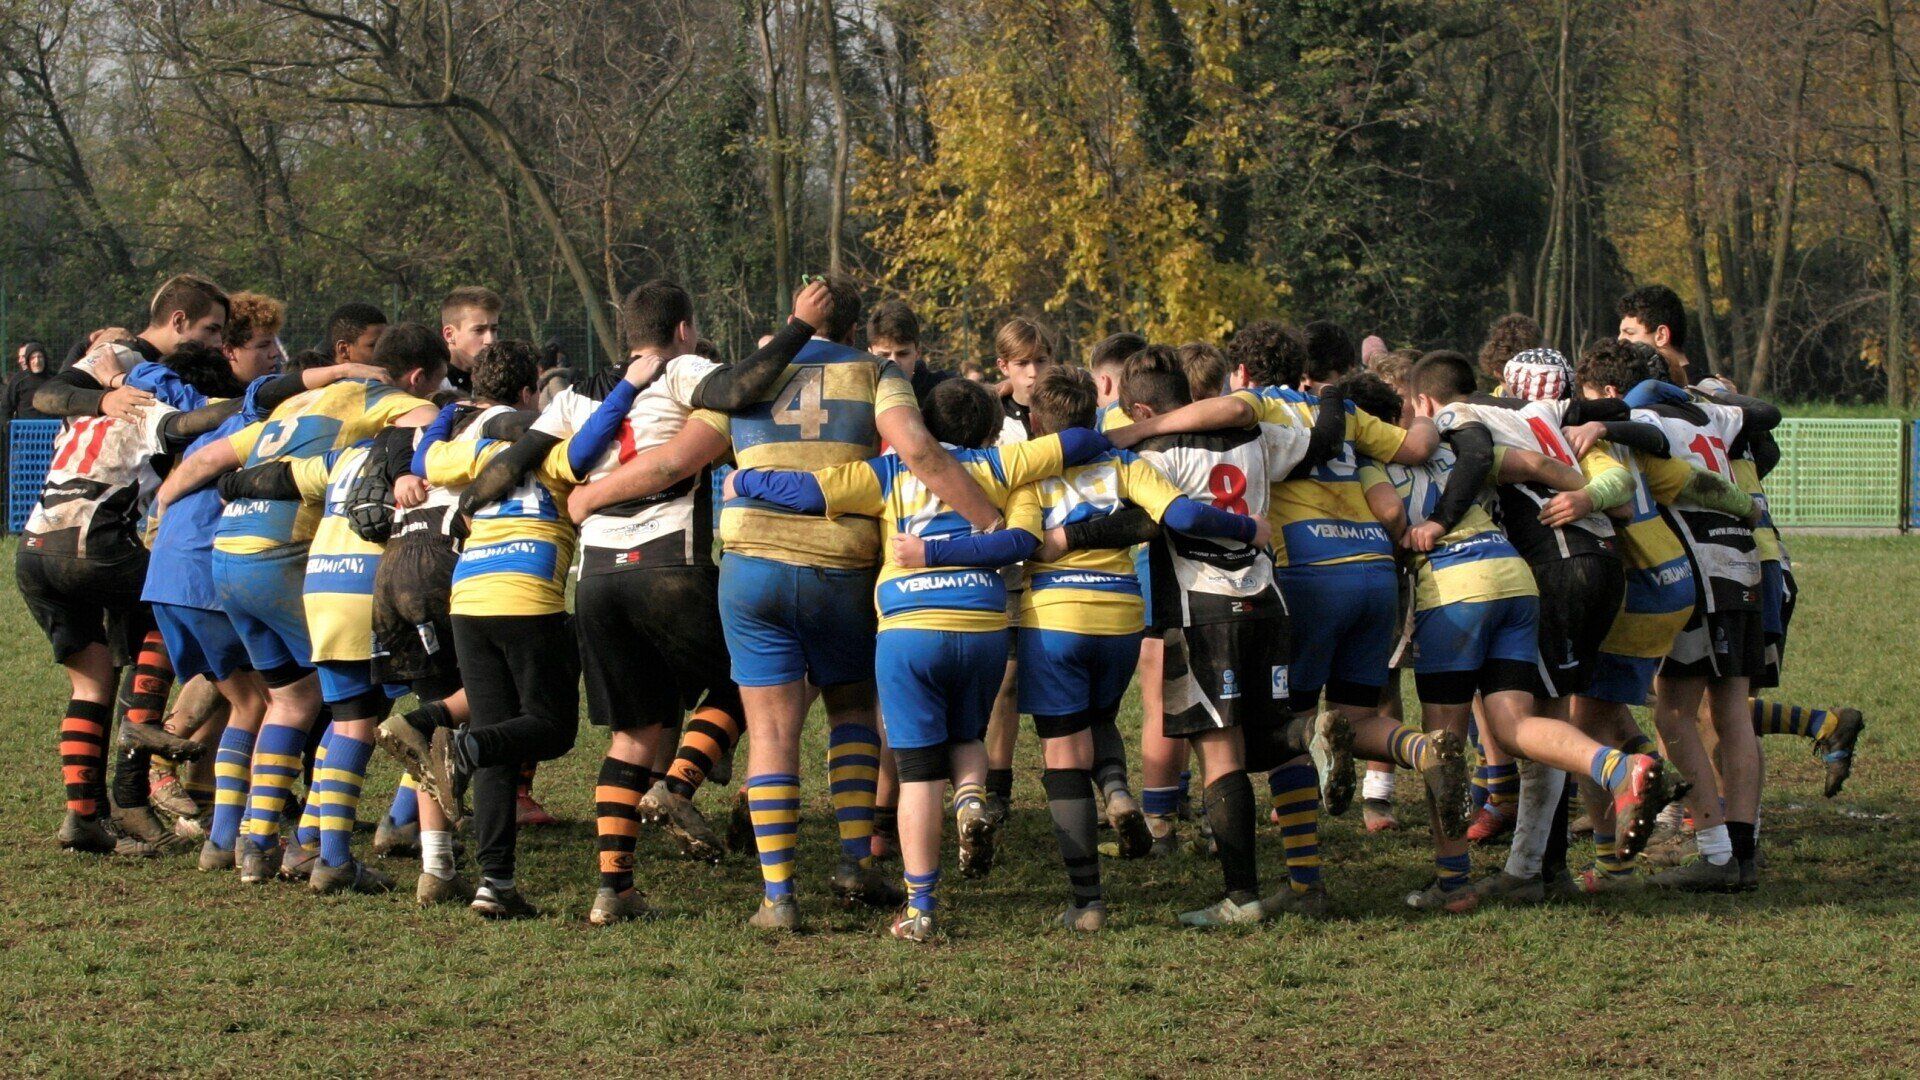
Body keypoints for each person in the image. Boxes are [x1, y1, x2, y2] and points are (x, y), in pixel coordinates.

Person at [560, 273, 1002, 932]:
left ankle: (779, 897)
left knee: (769, 732)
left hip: (754, 570)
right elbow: (916, 449)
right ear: (854, 329)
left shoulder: (748, 376)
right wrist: (985, 518)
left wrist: (590, 496)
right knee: (853, 710)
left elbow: (672, 463)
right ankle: (856, 864)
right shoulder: (875, 373)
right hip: (840, 569)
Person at [725, 377, 1113, 940]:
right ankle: (974, 799)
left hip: (909, 630)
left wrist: (744, 479)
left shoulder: (887, 472)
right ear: (987, 429)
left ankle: (922, 908)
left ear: (921, 429)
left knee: (916, 773)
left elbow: (808, 491)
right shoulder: (1007, 466)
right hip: (981, 627)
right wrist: (1114, 436)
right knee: (966, 738)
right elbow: (1075, 445)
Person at [152, 321, 441, 885]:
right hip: (284, 556)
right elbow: (426, 433)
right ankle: (323, 849)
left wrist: (159, 513)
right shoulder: (388, 400)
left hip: (227, 558)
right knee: (356, 703)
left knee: (289, 699)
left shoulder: (296, 404)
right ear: (416, 377)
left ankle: (242, 842)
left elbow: (205, 461)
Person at [1383, 354, 1673, 913]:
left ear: (1423, 403)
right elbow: (1598, 454)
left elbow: (1482, 457)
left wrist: (1439, 522)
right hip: (1593, 563)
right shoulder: (1546, 411)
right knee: (1538, 726)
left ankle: (1613, 777)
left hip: (1553, 566)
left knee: (1523, 730)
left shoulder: (1454, 423)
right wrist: (1583, 489)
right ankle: (1541, 869)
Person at [1009, 365, 1266, 931]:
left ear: (1034, 423)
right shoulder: (1124, 464)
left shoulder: (1028, 479)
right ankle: (1120, 792)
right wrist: (1249, 530)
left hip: (1055, 618)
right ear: (1097, 417)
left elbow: (1025, 543)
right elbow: (1177, 516)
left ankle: (1086, 904)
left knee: (1061, 752)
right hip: (1124, 619)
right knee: (1101, 716)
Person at [1114, 346, 1346, 925]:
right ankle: (1309, 734)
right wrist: (1337, 395)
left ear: (1142, 409)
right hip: (1268, 601)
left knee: (1218, 753)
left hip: (1199, 613)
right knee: (1267, 733)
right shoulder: (1257, 433)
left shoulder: (1149, 453)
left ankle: (1240, 897)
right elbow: (1325, 437)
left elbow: (1142, 521)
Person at [17, 340, 252, 854]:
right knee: (169, 610)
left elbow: (55, 397)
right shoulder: (147, 402)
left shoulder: (84, 409)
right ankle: (140, 740)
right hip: (92, 546)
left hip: (33, 551)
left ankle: (84, 818)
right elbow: (186, 427)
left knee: (92, 681)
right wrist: (257, 402)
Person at [867, 299, 951, 404]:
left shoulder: (944, 393)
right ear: (870, 356)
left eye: (903, 354)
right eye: (884, 355)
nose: (894, 362)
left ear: (917, 353)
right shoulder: (857, 396)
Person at [440, 287, 504, 392]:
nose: (490, 340)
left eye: (494, 329)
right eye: (479, 330)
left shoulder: (500, 383)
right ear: (449, 334)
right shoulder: (432, 386)